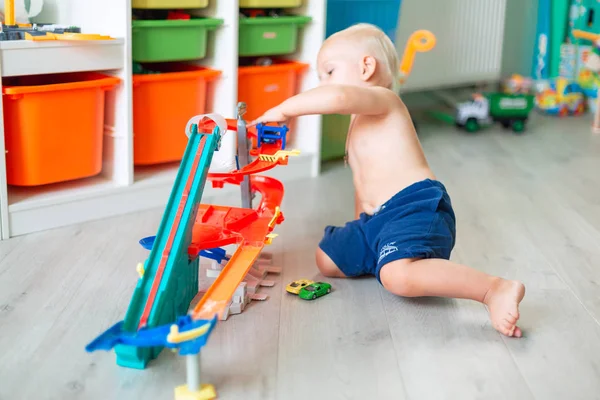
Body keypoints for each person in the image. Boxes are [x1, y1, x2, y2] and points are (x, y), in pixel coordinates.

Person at [250, 24, 526, 337]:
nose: (323, 84)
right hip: (377, 220)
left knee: (398, 278)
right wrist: (362, 230)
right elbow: (362, 183)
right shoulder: (358, 122)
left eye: (328, 72)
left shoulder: (385, 102)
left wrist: (286, 109)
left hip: (416, 208)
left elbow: (338, 95)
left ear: (366, 67)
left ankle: (492, 289)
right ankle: (383, 253)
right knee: (327, 258)